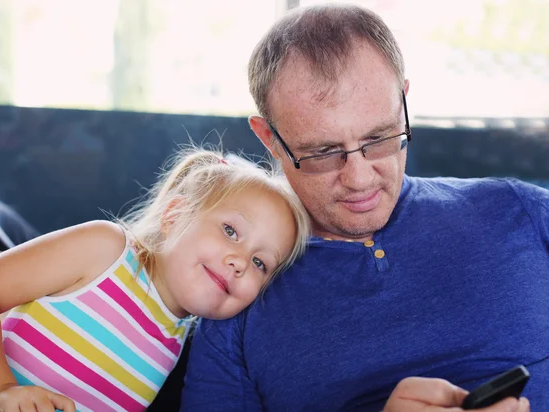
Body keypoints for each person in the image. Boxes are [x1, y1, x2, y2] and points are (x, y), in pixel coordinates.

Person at [181, 4, 544, 411]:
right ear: (269, 138)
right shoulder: (237, 291)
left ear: (403, 101)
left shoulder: (520, 210)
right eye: (321, 151)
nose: (359, 178)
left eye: (380, 138)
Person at [0, 148, 310, 412]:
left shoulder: (187, 339)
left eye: (261, 262)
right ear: (175, 214)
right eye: (231, 231)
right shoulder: (106, 250)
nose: (239, 262)